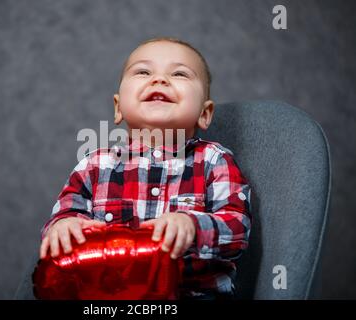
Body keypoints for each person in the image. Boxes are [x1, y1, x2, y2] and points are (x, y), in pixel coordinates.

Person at [39, 37, 252, 299]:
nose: (159, 80)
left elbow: (238, 227)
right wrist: (63, 226)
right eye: (143, 72)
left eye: (179, 73)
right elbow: (64, 216)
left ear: (204, 114)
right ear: (118, 108)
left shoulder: (213, 161)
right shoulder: (94, 165)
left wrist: (192, 226)